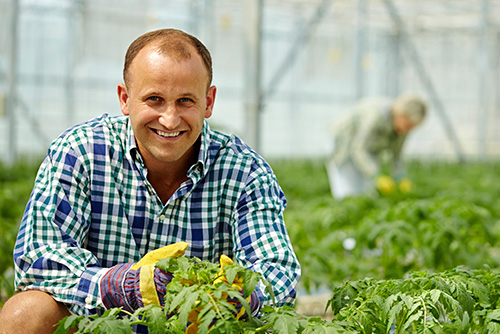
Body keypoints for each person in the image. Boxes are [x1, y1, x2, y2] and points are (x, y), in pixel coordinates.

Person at [0, 28, 301, 334]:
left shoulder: (244, 171)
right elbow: (38, 258)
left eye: (185, 101)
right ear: (125, 98)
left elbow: (275, 271)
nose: (169, 120)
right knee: (25, 313)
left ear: (208, 102)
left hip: (195, 329)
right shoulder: (81, 152)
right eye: (154, 99)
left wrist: (233, 297)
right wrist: (117, 286)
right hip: (97, 326)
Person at [326, 93, 427, 199]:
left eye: (412, 127)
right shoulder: (376, 116)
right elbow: (359, 148)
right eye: (407, 125)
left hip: (369, 148)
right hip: (344, 144)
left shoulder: (402, 128)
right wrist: (376, 175)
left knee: (367, 191)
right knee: (346, 189)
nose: (408, 130)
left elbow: (397, 154)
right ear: (401, 114)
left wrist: (400, 176)